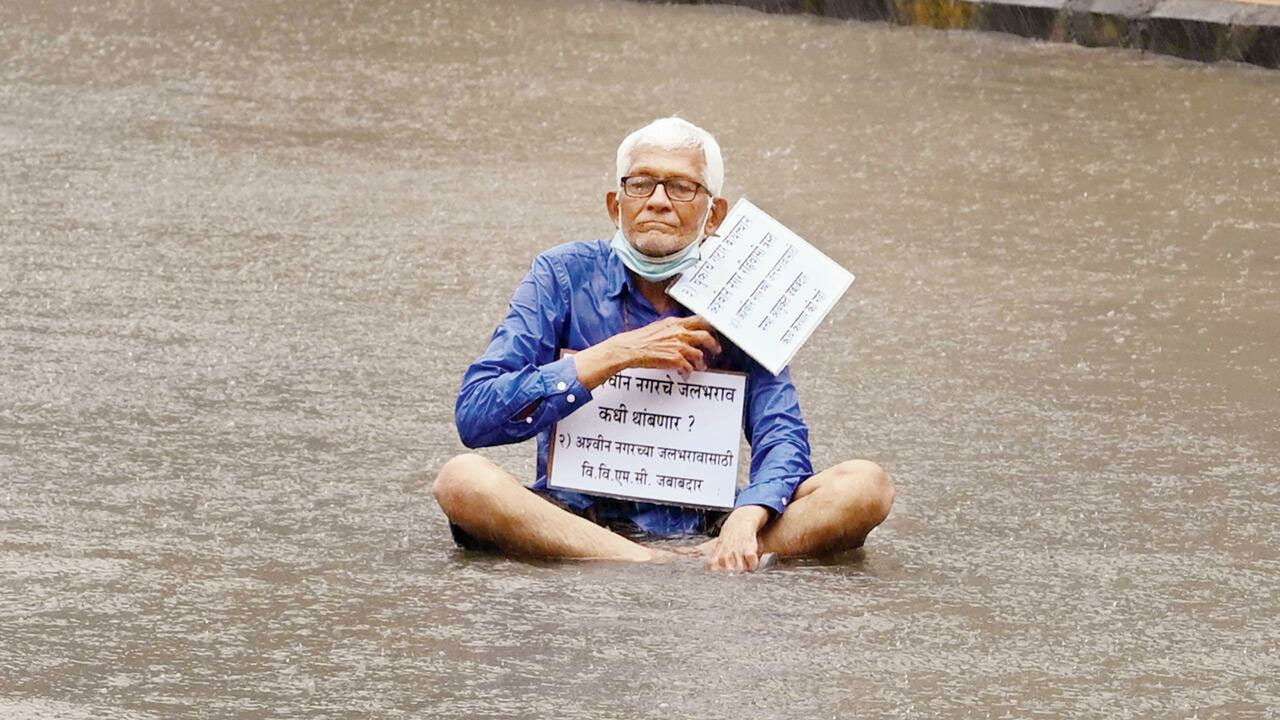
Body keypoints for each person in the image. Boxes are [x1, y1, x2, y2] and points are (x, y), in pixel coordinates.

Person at [432, 117, 894, 572]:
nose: (657, 201)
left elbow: (782, 435)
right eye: (641, 185)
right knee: (461, 480)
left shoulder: (740, 291)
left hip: (703, 521)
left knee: (866, 486)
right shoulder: (562, 274)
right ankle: (645, 560)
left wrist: (748, 515)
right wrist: (618, 353)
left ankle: (713, 551)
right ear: (616, 205)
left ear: (714, 214)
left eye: (681, 187)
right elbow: (475, 416)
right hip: (573, 516)